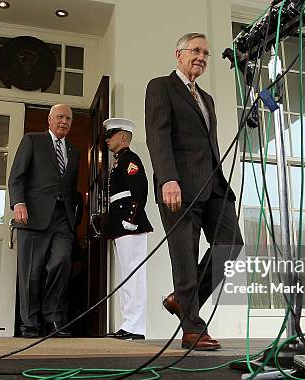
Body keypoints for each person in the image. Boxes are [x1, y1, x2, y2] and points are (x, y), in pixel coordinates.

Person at [145, 33, 244, 351]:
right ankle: (193, 327)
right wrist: (167, 179)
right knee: (184, 256)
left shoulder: (208, 98)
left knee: (231, 244)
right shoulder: (161, 86)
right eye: (196, 50)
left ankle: (181, 300)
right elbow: (157, 136)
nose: (202, 56)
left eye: (206, 52)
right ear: (179, 54)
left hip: (214, 184)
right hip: (180, 186)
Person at [8, 104, 80, 338]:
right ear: (49, 119)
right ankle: (30, 324)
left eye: (68, 118)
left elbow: (71, 189)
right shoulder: (32, 141)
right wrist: (18, 203)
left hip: (63, 219)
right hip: (33, 217)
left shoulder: (74, 151)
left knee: (61, 263)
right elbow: (17, 176)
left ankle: (54, 319)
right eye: (60, 117)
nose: (64, 121)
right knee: (31, 272)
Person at [103, 118, 153, 340]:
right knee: (126, 276)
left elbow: (139, 189)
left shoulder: (130, 159)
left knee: (134, 275)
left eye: (111, 134)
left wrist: (131, 217)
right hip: (121, 222)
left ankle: (135, 327)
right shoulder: (118, 161)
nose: (107, 139)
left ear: (123, 136)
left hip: (129, 222)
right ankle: (129, 324)